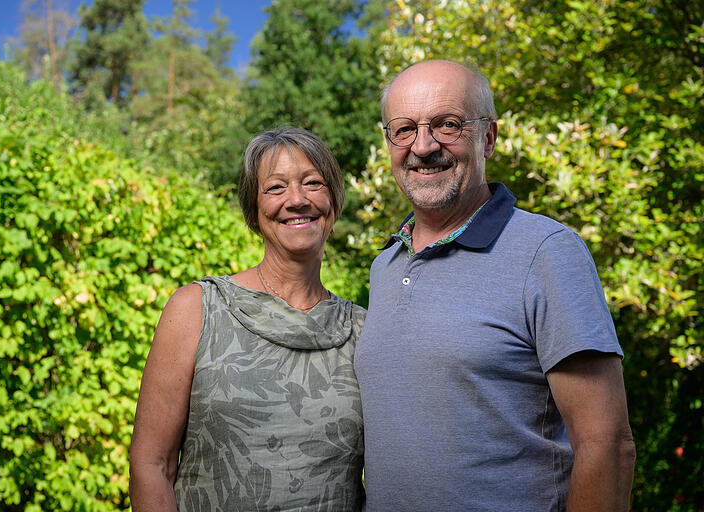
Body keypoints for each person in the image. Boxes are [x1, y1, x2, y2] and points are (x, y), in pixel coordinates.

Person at [354, 60, 636, 511]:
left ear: (488, 137)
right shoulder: (385, 264)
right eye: (403, 129)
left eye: (447, 125)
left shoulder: (546, 251)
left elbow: (607, 447)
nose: (423, 146)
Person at [129, 127, 366, 511]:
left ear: (334, 202)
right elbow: (151, 465)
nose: (297, 199)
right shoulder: (197, 309)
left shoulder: (362, 331)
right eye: (275, 188)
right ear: (253, 212)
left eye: (313, 183)